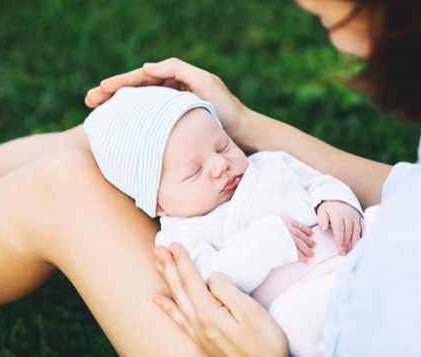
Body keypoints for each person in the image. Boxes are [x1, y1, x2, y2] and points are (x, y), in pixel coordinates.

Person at [0, 0, 421, 355]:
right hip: (344, 268)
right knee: (93, 150)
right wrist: (240, 127)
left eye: (224, 149)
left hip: (296, 330)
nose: (223, 163)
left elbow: (213, 284)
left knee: (60, 184)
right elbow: (414, 192)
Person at [84, 85, 364, 355]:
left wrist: (335, 200)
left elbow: (316, 182)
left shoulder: (270, 164)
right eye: (195, 171)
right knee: (295, 320)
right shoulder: (183, 234)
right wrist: (264, 242)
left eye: (222, 146)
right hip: (299, 297)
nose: (220, 165)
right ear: (158, 205)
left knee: (379, 216)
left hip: (352, 254)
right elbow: (209, 281)